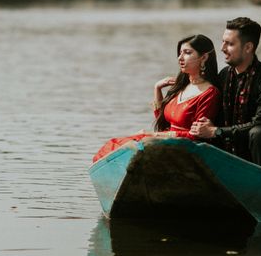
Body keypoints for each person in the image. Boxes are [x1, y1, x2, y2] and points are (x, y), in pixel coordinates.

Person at [92, 35, 221, 163]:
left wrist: (155, 135)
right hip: (165, 142)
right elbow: (163, 123)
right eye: (180, 53)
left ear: (204, 57)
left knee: (136, 143)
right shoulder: (181, 86)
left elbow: (197, 135)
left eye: (187, 53)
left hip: (185, 150)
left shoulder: (209, 93)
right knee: (114, 145)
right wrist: (157, 89)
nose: (180, 58)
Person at [190, 17, 261, 176]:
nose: (222, 48)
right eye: (223, 42)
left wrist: (217, 132)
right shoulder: (224, 76)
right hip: (232, 151)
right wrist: (208, 126)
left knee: (258, 132)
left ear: (248, 47)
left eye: (229, 44)